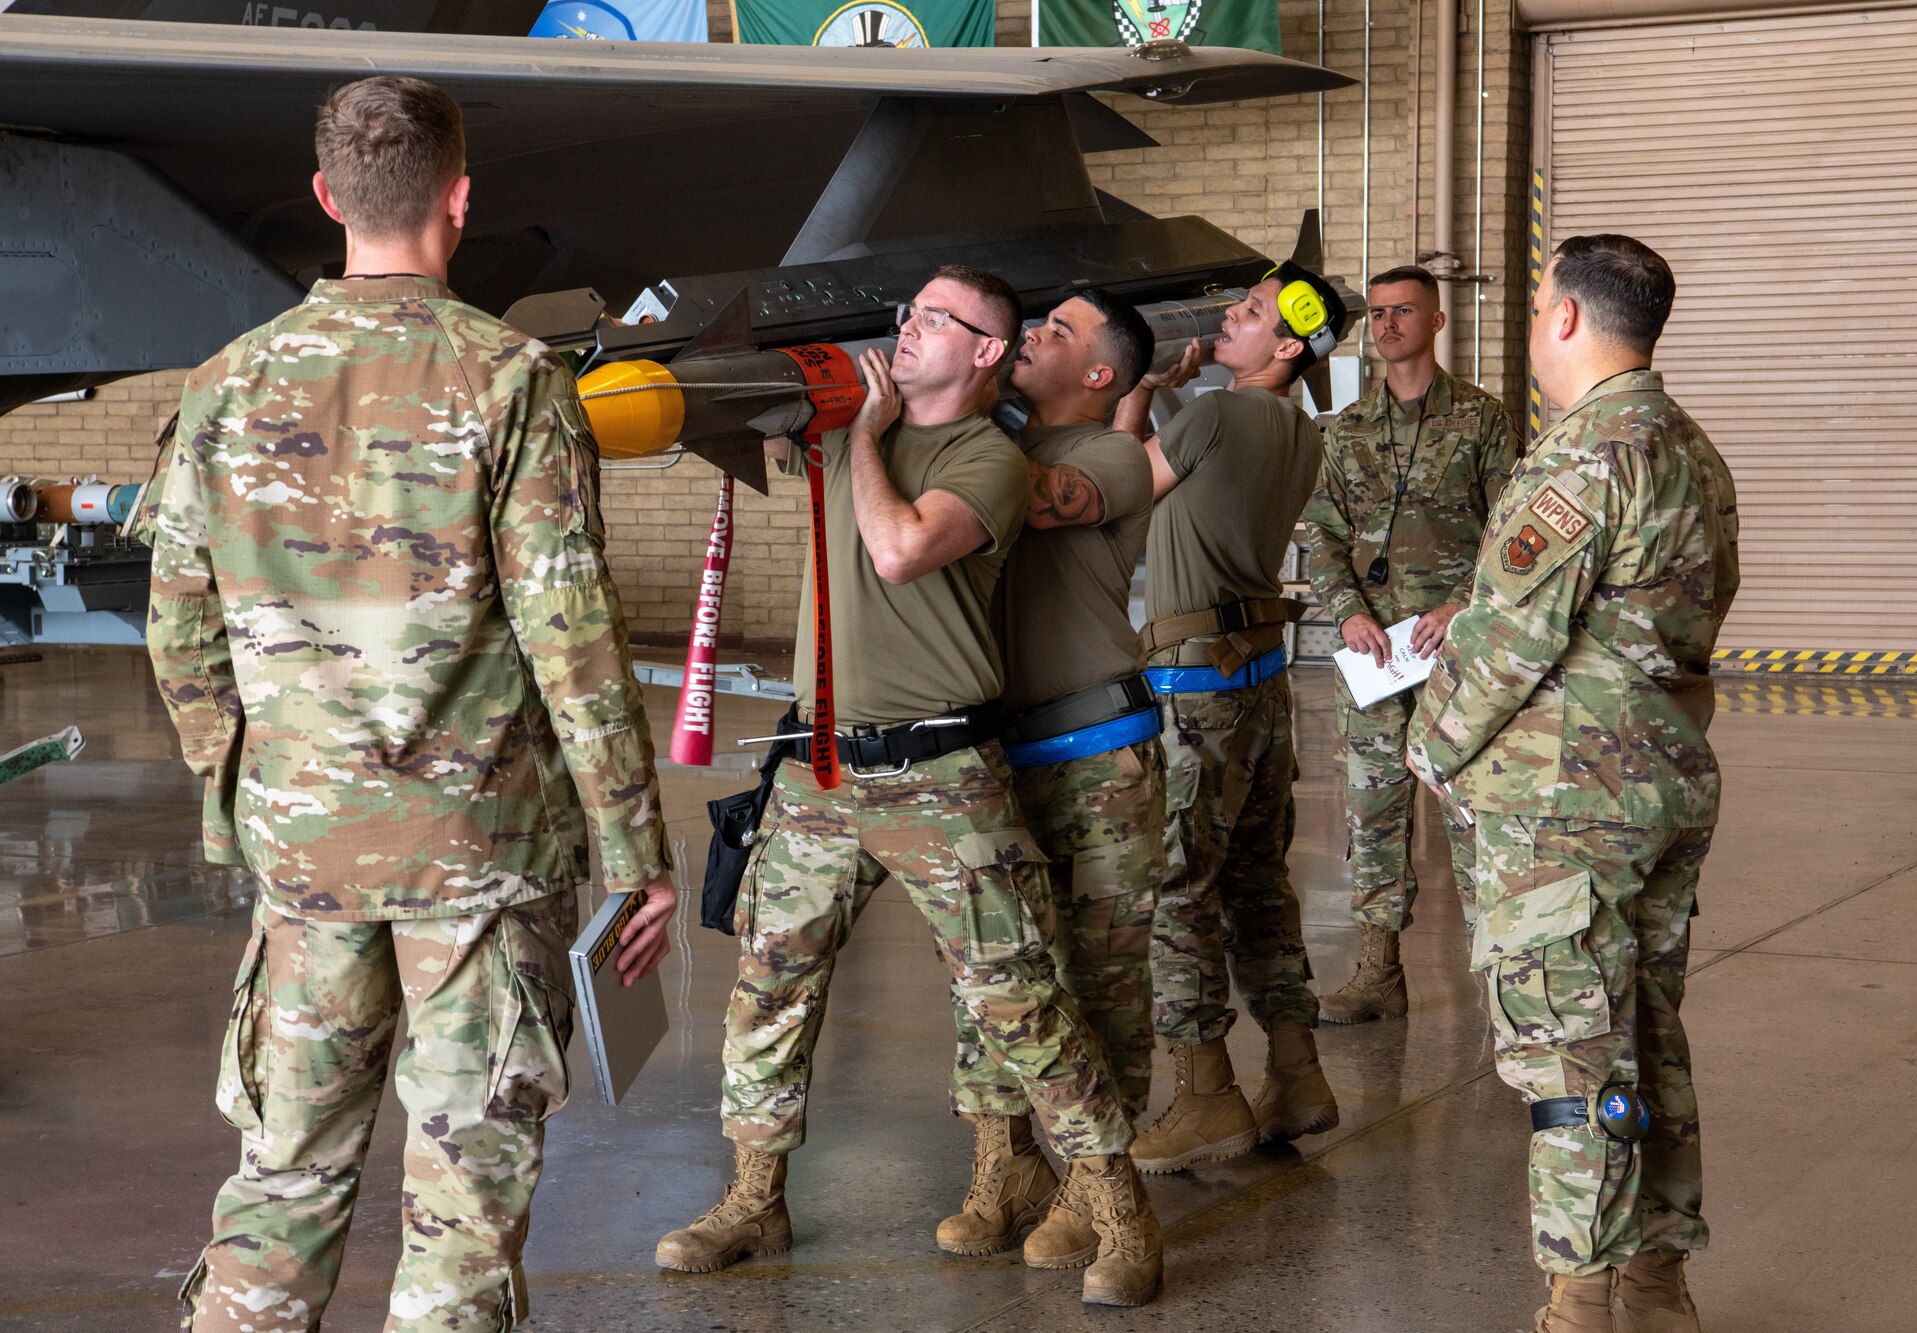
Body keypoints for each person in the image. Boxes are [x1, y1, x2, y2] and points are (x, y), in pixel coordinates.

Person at [148, 76, 678, 1333]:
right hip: (477, 860)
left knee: (282, 1174)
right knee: (461, 1208)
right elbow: (572, 637)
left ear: (329, 199)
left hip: (305, 856)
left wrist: (250, 806)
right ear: (459, 198)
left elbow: (179, 632)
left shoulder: (227, 382)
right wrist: (635, 850)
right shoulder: (511, 378)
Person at [655, 267, 1163, 1308]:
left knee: (1020, 997)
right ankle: (754, 1195)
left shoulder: (987, 459)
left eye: (938, 319)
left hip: (938, 774)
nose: (910, 328)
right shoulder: (844, 428)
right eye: (908, 311)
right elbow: (726, 410)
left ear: (985, 352)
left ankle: (1115, 1204)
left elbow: (897, 549)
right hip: (817, 764)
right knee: (767, 988)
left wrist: (869, 435)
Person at [1405, 234, 1737, 1333]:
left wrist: (1427, 749)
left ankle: (1578, 1304)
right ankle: (1655, 1286)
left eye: (1534, 301)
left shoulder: (1581, 453)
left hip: (1564, 807)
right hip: (1656, 780)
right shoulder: (1686, 446)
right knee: (1641, 1033)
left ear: (1561, 317)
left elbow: (1502, 644)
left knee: (1565, 1057)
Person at [936, 289, 1167, 1268]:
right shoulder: (984, 447)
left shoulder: (1108, 456)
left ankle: (1085, 1181)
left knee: (1102, 975)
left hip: (1096, 752)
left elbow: (1022, 499)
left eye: (1056, 333)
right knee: (988, 976)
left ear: (1100, 375)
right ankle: (1004, 1163)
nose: (1032, 335)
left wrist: (946, 397)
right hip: (993, 756)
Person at [1109, 266, 1342, 1173]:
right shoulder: (1299, 433)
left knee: (1178, 887)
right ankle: (1296, 1070)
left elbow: (1119, 492)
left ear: (1286, 348)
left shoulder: (1211, 413)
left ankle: (1206, 1093)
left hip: (1193, 688)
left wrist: (1137, 389)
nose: (1228, 321)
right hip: (1260, 685)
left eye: (1247, 315)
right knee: (1254, 880)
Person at [1305, 264, 1521, 1024]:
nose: (1388, 323)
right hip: (1373, 652)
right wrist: (1345, 613)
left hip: (1454, 649)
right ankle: (1377, 970)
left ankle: (1498, 973)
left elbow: (1511, 533)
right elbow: (1322, 534)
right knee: (1373, 806)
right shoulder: (1347, 430)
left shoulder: (1482, 419)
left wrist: (1466, 604)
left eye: (1404, 311)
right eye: (1379, 313)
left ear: (1436, 322)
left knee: (1471, 806)